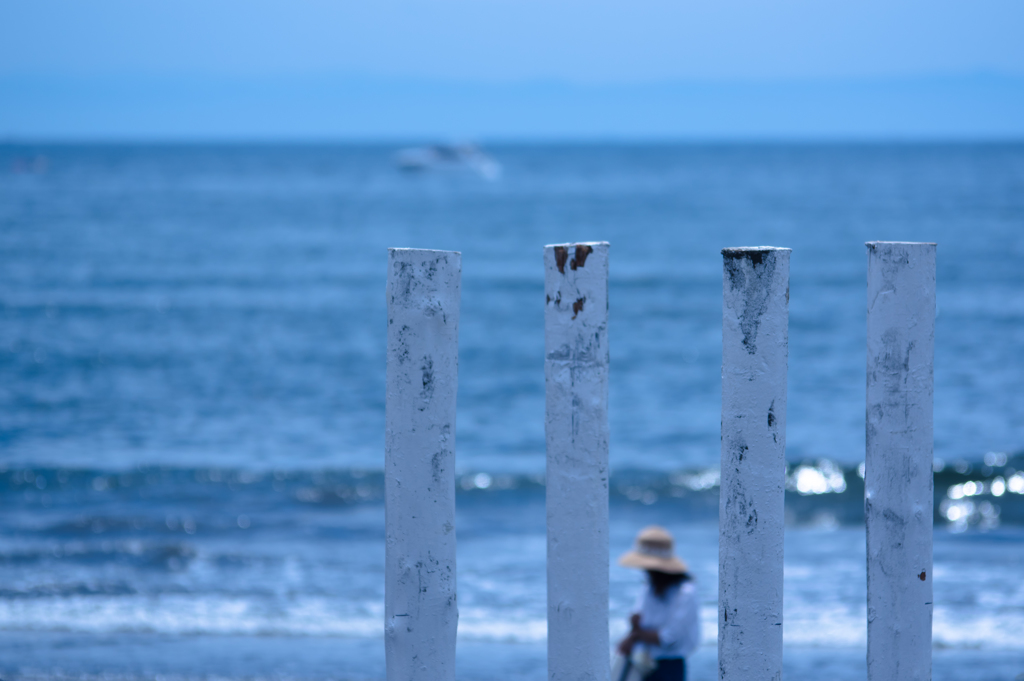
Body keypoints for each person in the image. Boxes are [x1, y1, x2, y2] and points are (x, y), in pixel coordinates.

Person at [616, 526, 701, 681]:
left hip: (670, 667)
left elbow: (670, 638)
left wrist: (636, 634)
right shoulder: (649, 587)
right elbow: (640, 621)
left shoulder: (685, 592)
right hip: (645, 662)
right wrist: (636, 632)